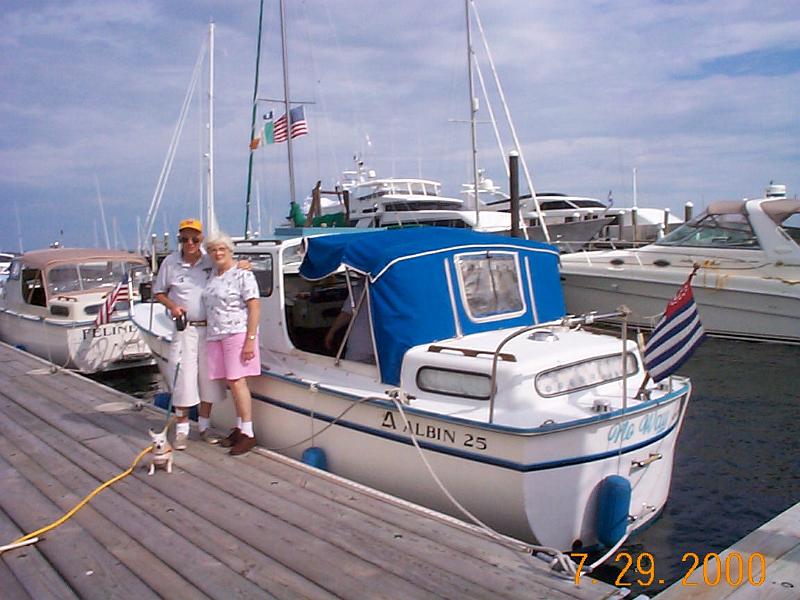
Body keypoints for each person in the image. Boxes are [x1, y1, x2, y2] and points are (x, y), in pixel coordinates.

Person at [153, 218, 226, 449]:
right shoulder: (170, 262)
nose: (190, 243)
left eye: (195, 238)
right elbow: (159, 292)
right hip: (185, 329)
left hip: (210, 329)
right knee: (183, 378)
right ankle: (182, 429)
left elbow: (228, 266)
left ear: (201, 239)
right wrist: (173, 306)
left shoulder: (210, 260)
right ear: (180, 240)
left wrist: (244, 264)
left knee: (209, 379)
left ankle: (204, 426)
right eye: (185, 239)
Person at [202, 232, 261, 456]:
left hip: (237, 333)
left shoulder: (243, 274)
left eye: (221, 249)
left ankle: (248, 433)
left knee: (237, 381)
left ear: (230, 251)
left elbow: (254, 307)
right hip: (216, 334)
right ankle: (239, 427)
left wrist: (250, 340)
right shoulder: (213, 274)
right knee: (230, 381)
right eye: (212, 250)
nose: (217, 253)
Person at [323, 276, 375, 364]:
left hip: (360, 345)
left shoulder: (360, 287)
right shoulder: (390, 288)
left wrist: (331, 332)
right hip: (384, 345)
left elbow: (347, 314)